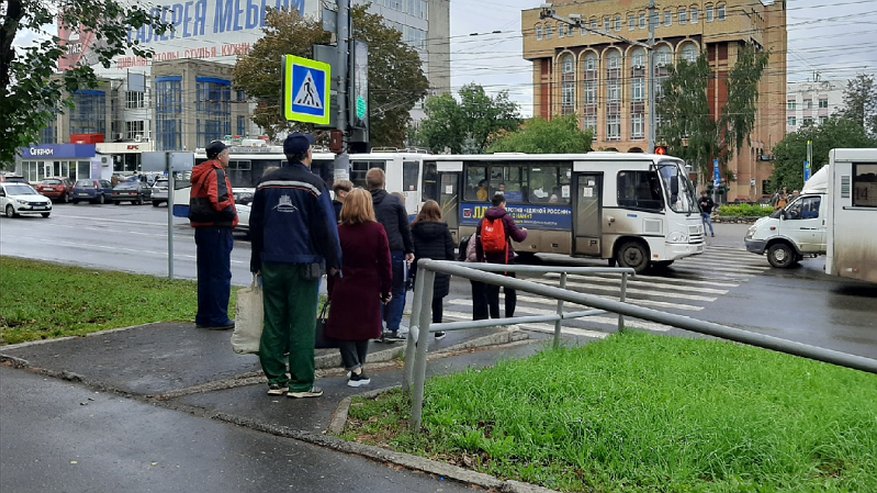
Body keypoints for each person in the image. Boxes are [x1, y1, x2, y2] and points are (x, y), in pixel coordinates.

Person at [249, 133, 342, 399]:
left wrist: (257, 260)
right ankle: (301, 384)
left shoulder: (265, 184)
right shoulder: (314, 185)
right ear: (307, 154)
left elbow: (255, 225)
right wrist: (335, 262)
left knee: (274, 321)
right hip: (304, 265)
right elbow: (327, 228)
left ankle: (276, 380)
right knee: (301, 324)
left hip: (270, 262)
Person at [325, 188, 392, 387]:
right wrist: (386, 289)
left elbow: (332, 264)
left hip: (344, 285)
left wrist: (331, 290)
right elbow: (385, 263)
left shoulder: (339, 231)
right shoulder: (377, 229)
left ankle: (355, 369)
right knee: (364, 328)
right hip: (369, 285)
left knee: (343, 330)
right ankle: (359, 367)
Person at [189, 140, 238, 330]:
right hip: (217, 227)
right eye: (227, 153)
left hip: (203, 228)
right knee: (220, 274)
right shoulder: (216, 172)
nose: (229, 157)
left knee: (206, 273)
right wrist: (232, 216)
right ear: (219, 155)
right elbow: (219, 199)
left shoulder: (201, 171)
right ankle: (218, 317)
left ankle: (204, 316)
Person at [366, 167, 414, 342]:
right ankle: (392, 328)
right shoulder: (394, 202)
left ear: (368, 183)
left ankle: (376, 328)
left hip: (370, 252)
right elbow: (404, 228)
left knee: (374, 290)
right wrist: (410, 250)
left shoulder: (364, 202)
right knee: (398, 289)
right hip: (394, 251)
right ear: (384, 181)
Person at [476, 193, 527, 319]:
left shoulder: (484, 219)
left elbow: (478, 241)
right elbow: (518, 237)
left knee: (492, 292)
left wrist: (480, 260)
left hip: (491, 261)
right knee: (510, 291)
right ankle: (508, 319)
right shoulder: (506, 218)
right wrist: (525, 231)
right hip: (506, 261)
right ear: (502, 204)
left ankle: (495, 320)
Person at [411, 200, 455, 340]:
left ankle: (418, 330)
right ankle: (438, 330)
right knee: (437, 302)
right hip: (439, 271)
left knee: (421, 302)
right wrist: (449, 268)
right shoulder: (444, 230)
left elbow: (411, 249)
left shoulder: (414, 229)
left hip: (421, 271)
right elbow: (450, 251)